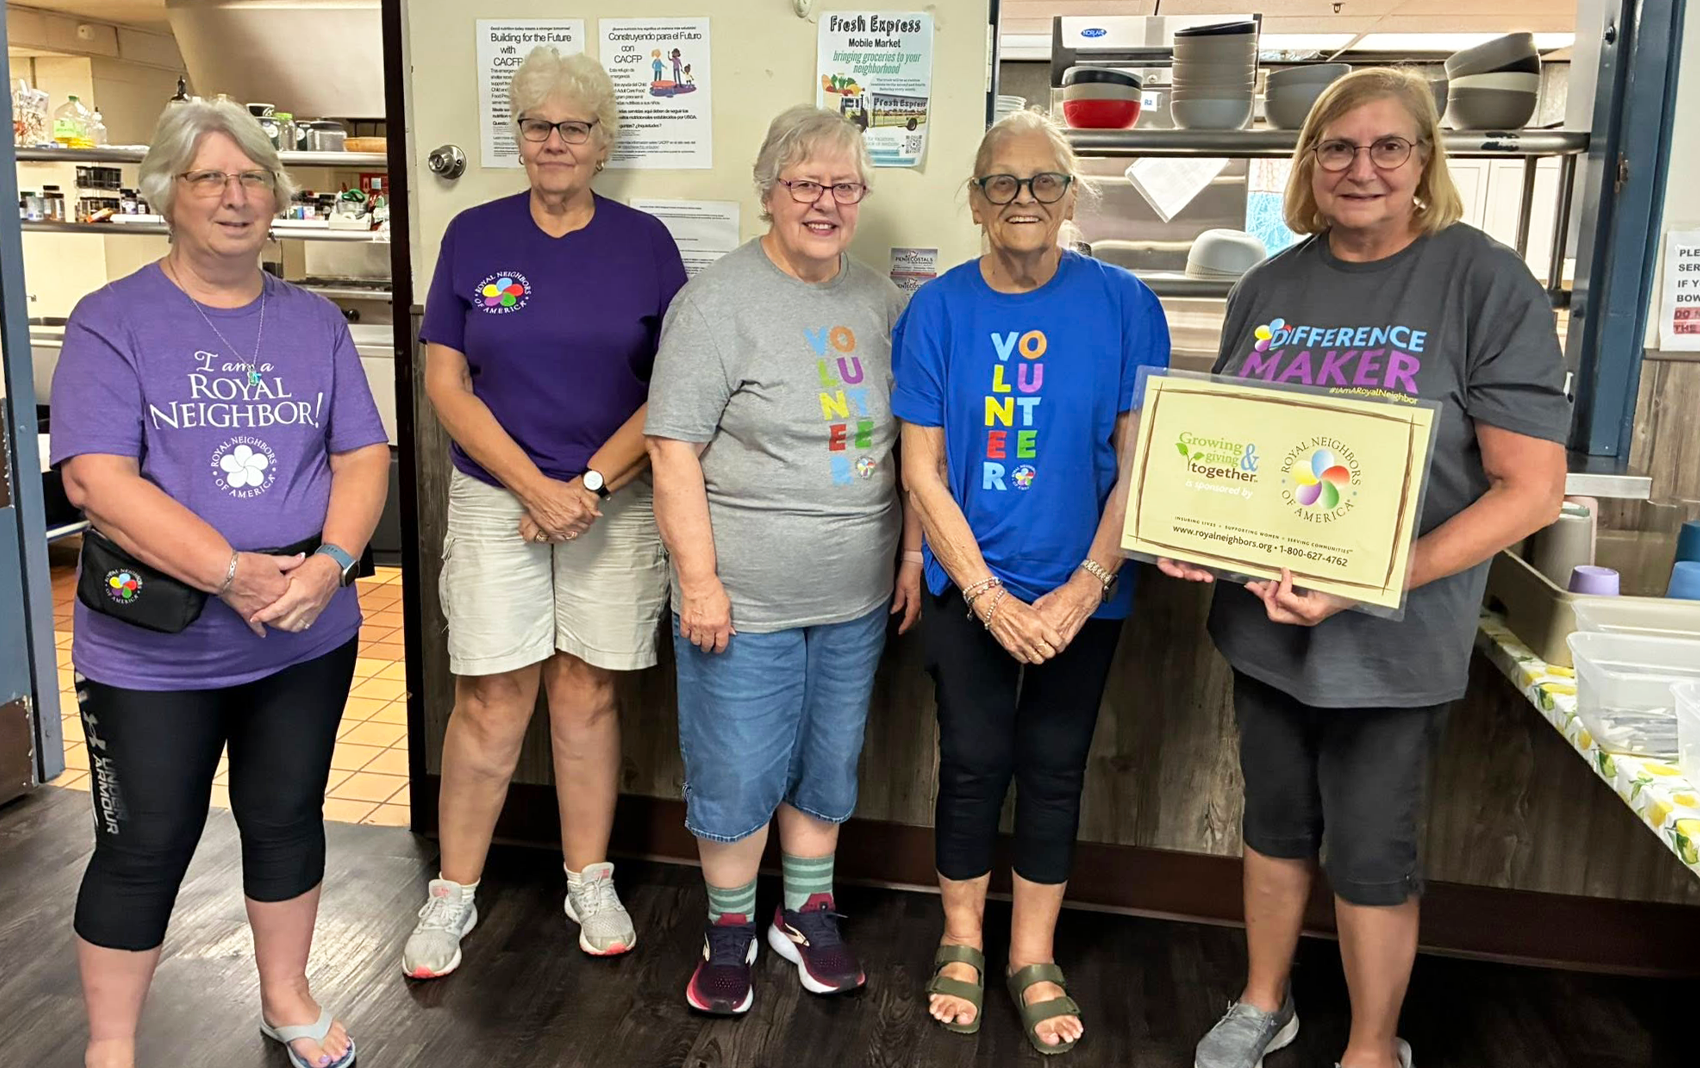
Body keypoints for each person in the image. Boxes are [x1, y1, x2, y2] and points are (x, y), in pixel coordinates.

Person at [1165, 69, 1569, 1068]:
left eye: (1388, 146)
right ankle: (1265, 1003)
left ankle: (1372, 1045)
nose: (1361, 168)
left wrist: (1375, 578)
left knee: (1370, 850)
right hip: (1264, 628)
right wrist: (1194, 531)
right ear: (1306, 164)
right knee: (1272, 822)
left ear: (1424, 160)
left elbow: (1529, 489)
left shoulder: (1479, 280)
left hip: (1391, 643)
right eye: (1335, 147)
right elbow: (1238, 452)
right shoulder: (1269, 285)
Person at [50, 98, 389, 1068]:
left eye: (254, 179)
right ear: (166, 193)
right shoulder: (113, 322)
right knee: (145, 840)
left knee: (285, 815)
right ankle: (110, 1046)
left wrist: (328, 566)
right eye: (209, 178)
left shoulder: (314, 321)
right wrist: (234, 573)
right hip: (157, 646)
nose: (235, 199)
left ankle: (287, 997)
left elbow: (364, 453)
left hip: (304, 630)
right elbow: (96, 482)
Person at [403, 46, 687, 976]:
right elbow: (446, 381)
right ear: (518, 137)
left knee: (588, 689)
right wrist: (534, 487)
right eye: (537, 125)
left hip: (616, 495)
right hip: (499, 499)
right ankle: (452, 894)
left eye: (574, 127)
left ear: (602, 143)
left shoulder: (646, 243)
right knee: (490, 695)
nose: (554, 142)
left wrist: (590, 488)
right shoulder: (473, 236)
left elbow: (673, 390)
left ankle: (588, 876)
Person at [893, 109, 1170, 1056]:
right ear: (974, 201)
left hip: (1085, 589)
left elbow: (1141, 466)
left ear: (1070, 195)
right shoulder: (937, 310)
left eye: (1043, 180)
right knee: (972, 761)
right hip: (969, 586)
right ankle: (962, 941)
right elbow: (922, 470)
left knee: (1054, 767)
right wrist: (983, 594)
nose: (1023, 198)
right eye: (1001, 183)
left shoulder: (1128, 304)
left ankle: (1032, 954)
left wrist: (1086, 585)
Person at [645, 104, 921, 1016]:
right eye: (806, 184)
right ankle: (729, 926)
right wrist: (700, 583)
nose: (826, 202)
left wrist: (911, 556)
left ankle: (805, 911)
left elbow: (916, 446)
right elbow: (672, 446)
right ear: (769, 193)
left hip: (855, 592)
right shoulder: (716, 303)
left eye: (844, 186)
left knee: (828, 761)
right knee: (735, 768)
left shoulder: (883, 301)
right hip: (743, 597)